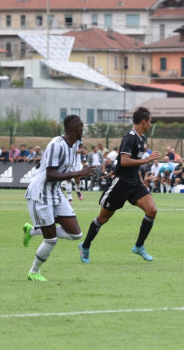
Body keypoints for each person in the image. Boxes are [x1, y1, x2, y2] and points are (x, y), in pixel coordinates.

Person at [78, 107, 162, 263]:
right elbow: (124, 161)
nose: (150, 124)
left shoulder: (141, 139)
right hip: (121, 184)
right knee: (103, 218)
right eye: (149, 121)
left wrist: (140, 178)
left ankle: (139, 246)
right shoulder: (129, 138)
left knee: (152, 210)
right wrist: (147, 159)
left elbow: (134, 164)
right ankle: (85, 245)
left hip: (135, 183)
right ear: (143, 122)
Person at [22, 115, 97, 281]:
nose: (82, 130)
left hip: (55, 193)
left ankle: (32, 230)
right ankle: (34, 272)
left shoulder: (74, 146)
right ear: (70, 129)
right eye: (79, 127)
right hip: (40, 193)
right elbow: (49, 175)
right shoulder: (57, 145)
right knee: (51, 240)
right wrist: (79, 172)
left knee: (76, 234)